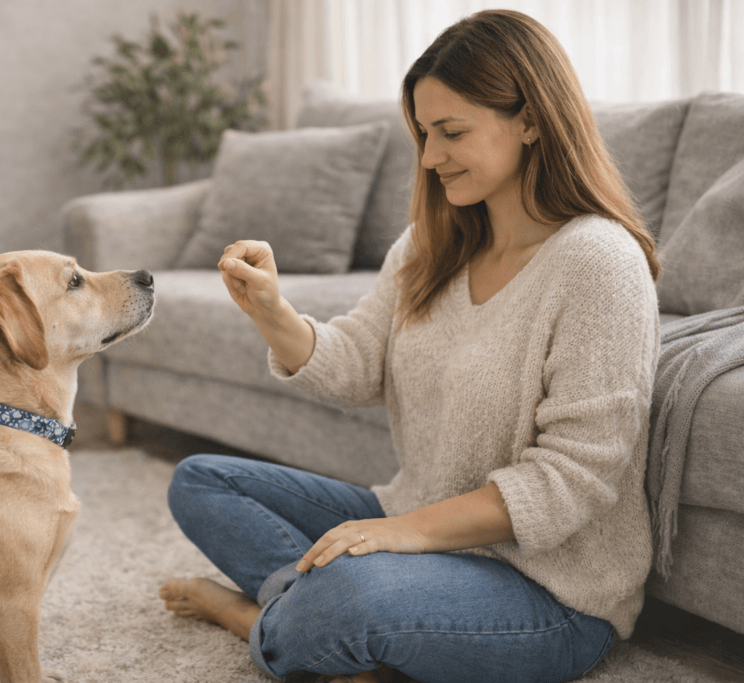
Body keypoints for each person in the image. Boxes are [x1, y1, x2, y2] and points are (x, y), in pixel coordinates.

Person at [158, 9, 661, 683]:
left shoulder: (600, 263)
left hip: (550, 593)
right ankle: (327, 626)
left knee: (350, 594)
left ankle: (260, 618)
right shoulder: (433, 243)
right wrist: (273, 312)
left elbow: (571, 481)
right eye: (424, 134)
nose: (429, 157)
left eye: (452, 132)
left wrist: (408, 533)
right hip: (418, 524)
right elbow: (356, 366)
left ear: (531, 120)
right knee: (201, 480)